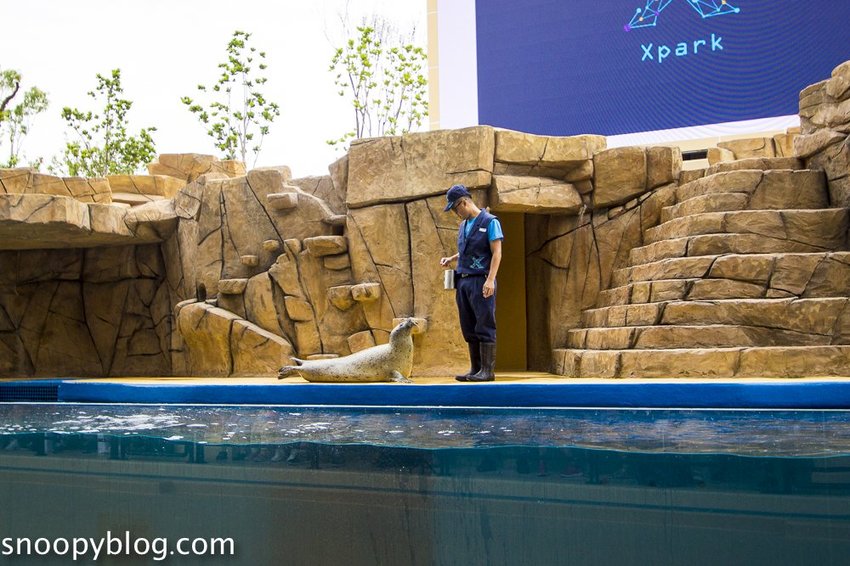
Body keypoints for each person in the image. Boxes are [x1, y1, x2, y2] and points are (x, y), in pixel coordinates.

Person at [439, 184, 504, 382]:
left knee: (484, 324)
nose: (456, 213)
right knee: (469, 325)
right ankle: (475, 369)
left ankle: (487, 371)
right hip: (463, 281)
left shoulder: (490, 222)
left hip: (482, 280)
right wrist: (452, 258)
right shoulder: (464, 225)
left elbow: (496, 253)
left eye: (455, 208)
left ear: (464, 202)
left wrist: (491, 280)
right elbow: (468, 250)